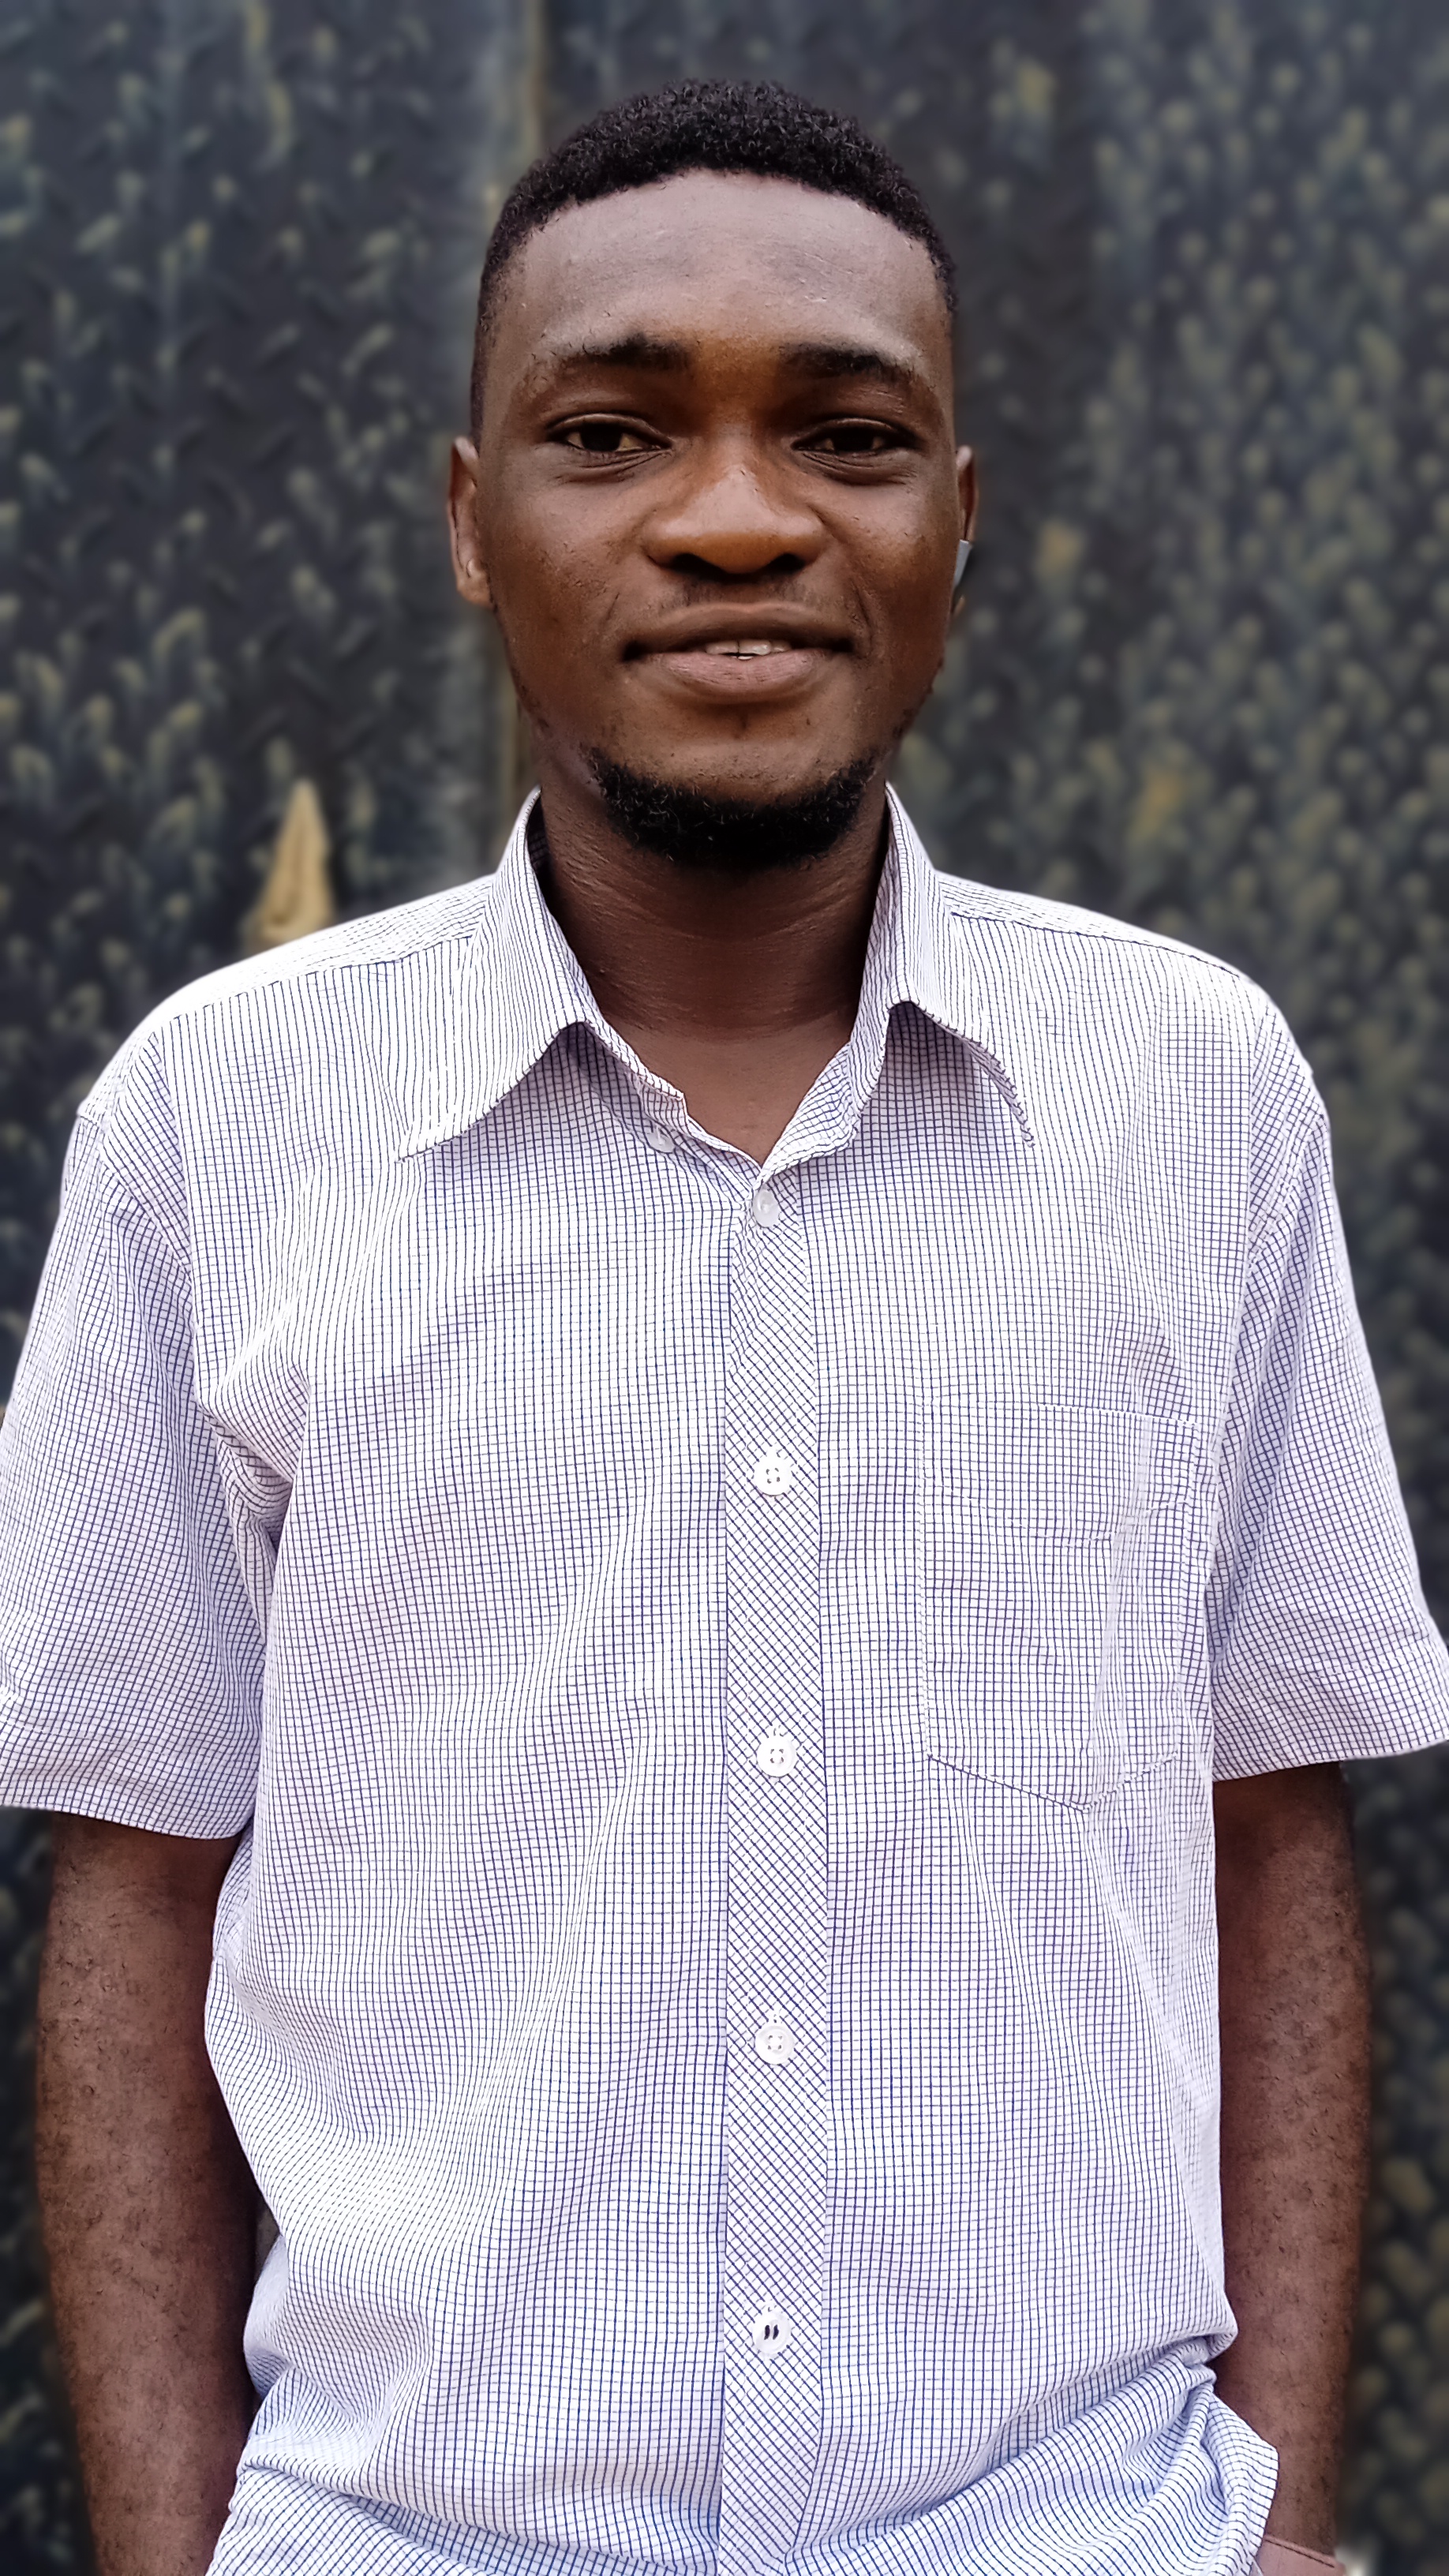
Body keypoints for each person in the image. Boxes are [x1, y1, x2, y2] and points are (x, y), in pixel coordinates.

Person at [1, 75, 1443, 2576]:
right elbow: (134, 1895)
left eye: (846, 436)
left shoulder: (1187, 1094)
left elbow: (1266, 1821)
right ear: (474, 520)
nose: (739, 516)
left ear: (955, 521)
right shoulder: (221, 1124)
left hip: (1074, 2528)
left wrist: (1283, 2514)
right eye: (612, 430)